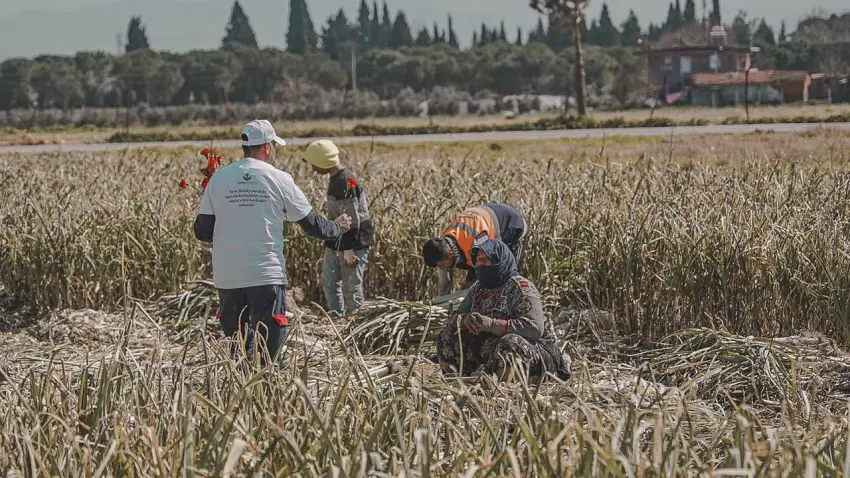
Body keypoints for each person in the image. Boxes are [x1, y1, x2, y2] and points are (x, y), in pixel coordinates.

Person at [193, 119, 351, 365]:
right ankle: (267, 395)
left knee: (238, 355)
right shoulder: (279, 179)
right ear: (267, 147)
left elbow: (202, 232)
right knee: (269, 357)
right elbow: (312, 225)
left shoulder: (218, 180)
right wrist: (337, 228)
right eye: (274, 146)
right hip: (265, 276)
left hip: (228, 278)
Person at [435, 238, 571, 382]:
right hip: (490, 350)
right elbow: (454, 317)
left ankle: (508, 382)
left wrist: (492, 325)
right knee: (446, 336)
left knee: (511, 342)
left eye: (485, 260)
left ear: (499, 261)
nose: (480, 264)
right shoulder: (478, 288)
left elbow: (534, 328)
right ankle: (464, 380)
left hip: (535, 350)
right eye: (478, 261)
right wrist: (465, 320)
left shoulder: (521, 288)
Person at [302, 139, 374, 317]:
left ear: (323, 162)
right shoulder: (338, 179)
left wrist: (348, 249)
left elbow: (352, 218)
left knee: (352, 287)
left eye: (314, 164)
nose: (313, 169)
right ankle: (337, 317)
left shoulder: (344, 182)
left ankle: (354, 322)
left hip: (352, 242)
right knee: (329, 282)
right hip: (337, 238)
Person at [422, 203, 527, 297]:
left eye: (441, 265)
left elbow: (494, 270)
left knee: (503, 278)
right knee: (474, 286)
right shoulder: (443, 245)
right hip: (485, 218)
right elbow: (444, 283)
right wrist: (442, 301)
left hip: (511, 224)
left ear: (450, 255)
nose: (441, 268)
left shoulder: (478, 243)